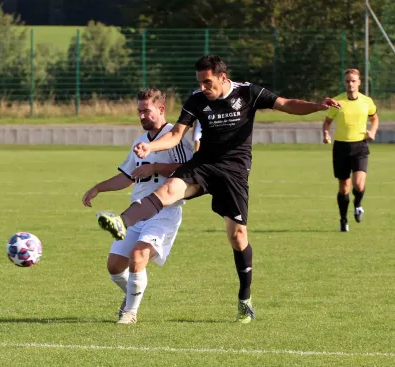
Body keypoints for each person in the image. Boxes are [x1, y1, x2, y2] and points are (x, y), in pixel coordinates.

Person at [96, 55, 341, 324]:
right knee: (168, 191)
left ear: (223, 77)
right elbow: (176, 134)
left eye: (207, 82)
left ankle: (244, 299)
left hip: (233, 172)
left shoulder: (249, 93)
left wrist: (317, 106)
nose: (203, 87)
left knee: (237, 237)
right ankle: (122, 221)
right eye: (200, 82)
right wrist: (150, 147)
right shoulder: (197, 99)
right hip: (203, 166)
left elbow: (286, 104)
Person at [82, 88, 193, 325]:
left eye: (146, 111)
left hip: (165, 212)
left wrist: (154, 168)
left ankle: (129, 313)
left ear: (161, 109)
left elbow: (189, 171)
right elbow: (127, 177)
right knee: (114, 266)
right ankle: (133, 294)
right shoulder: (140, 141)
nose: (142, 116)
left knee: (138, 255)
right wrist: (98, 188)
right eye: (139, 111)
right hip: (138, 211)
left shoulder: (175, 137)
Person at [322, 68, 379, 232]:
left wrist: (372, 132)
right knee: (343, 188)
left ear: (359, 82)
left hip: (360, 146)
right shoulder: (337, 102)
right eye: (347, 81)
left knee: (359, 185)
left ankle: (358, 205)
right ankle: (343, 220)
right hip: (341, 147)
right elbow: (327, 122)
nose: (350, 84)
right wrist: (326, 134)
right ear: (344, 83)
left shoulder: (367, 101)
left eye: (353, 81)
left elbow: (374, 118)